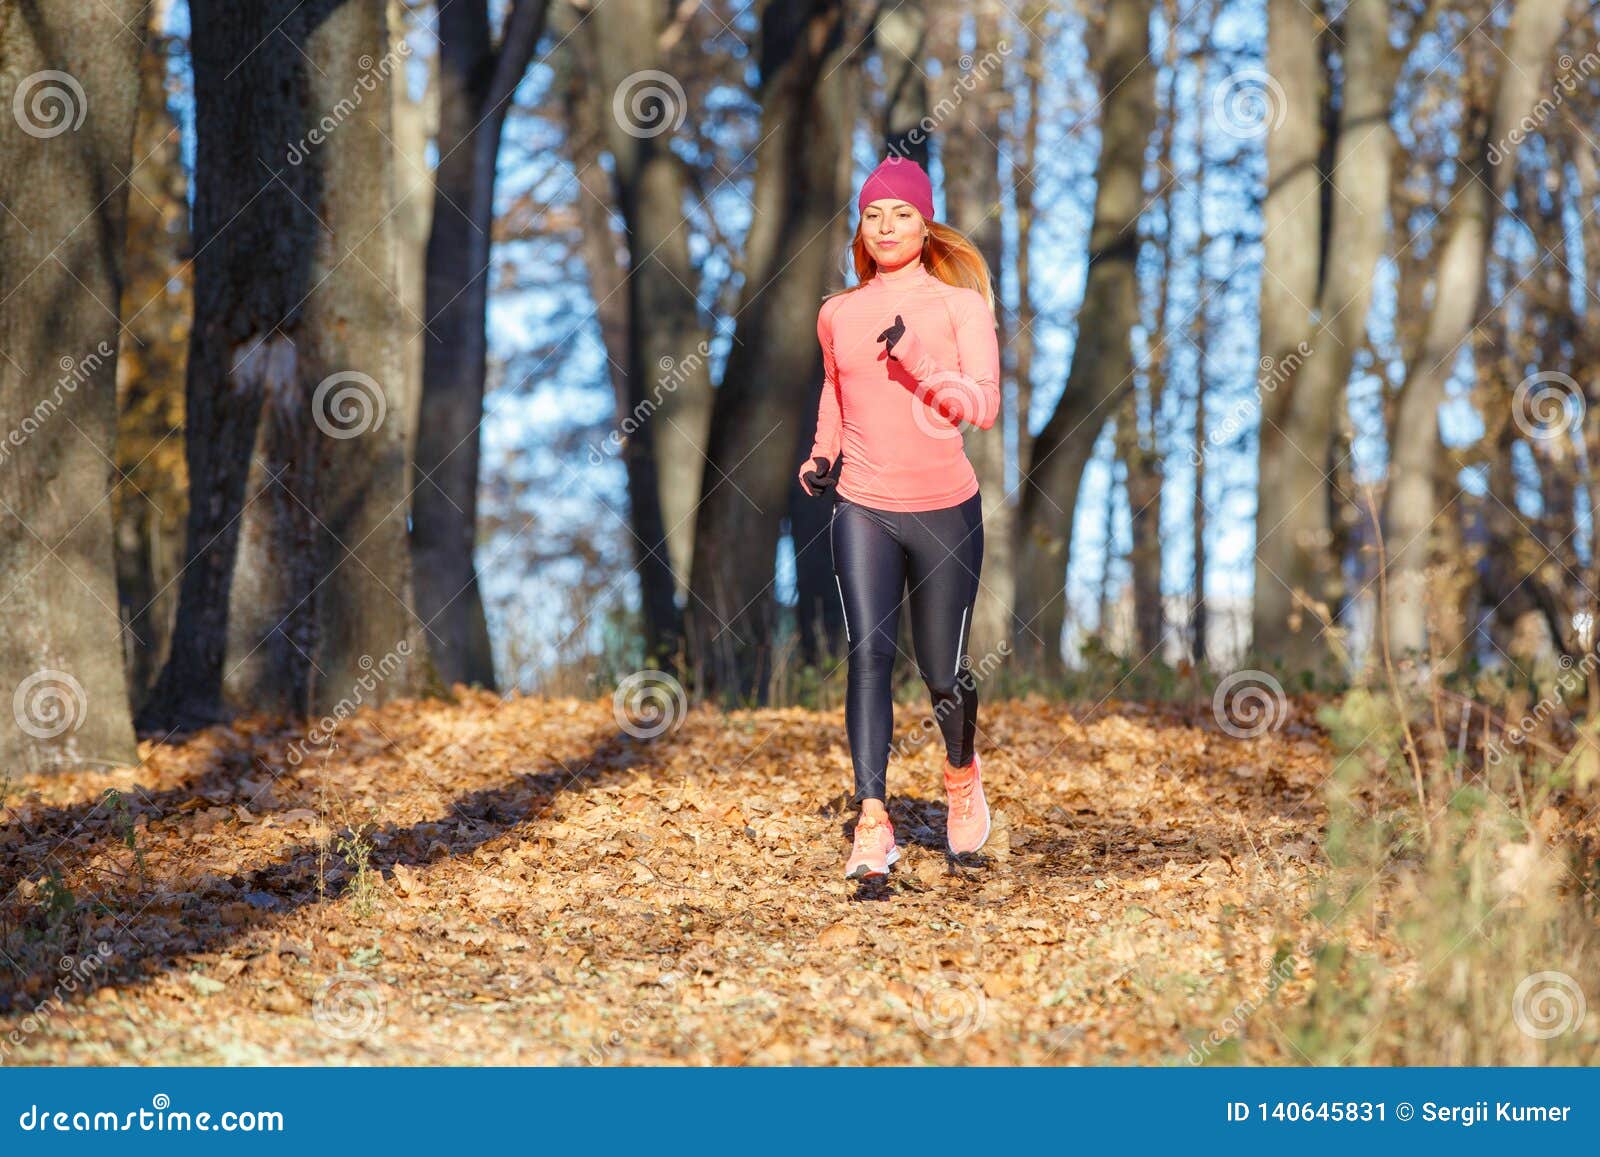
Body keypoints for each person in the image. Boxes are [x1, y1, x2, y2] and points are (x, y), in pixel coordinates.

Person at [797, 155, 1001, 880]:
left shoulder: (958, 308)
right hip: (865, 507)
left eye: (902, 214)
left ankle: (960, 772)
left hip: (945, 507)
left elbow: (981, 405)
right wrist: (822, 455)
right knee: (868, 654)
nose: (886, 227)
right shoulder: (837, 313)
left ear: (925, 223)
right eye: (874, 214)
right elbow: (837, 392)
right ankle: (873, 820)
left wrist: (914, 355)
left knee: (942, 672)